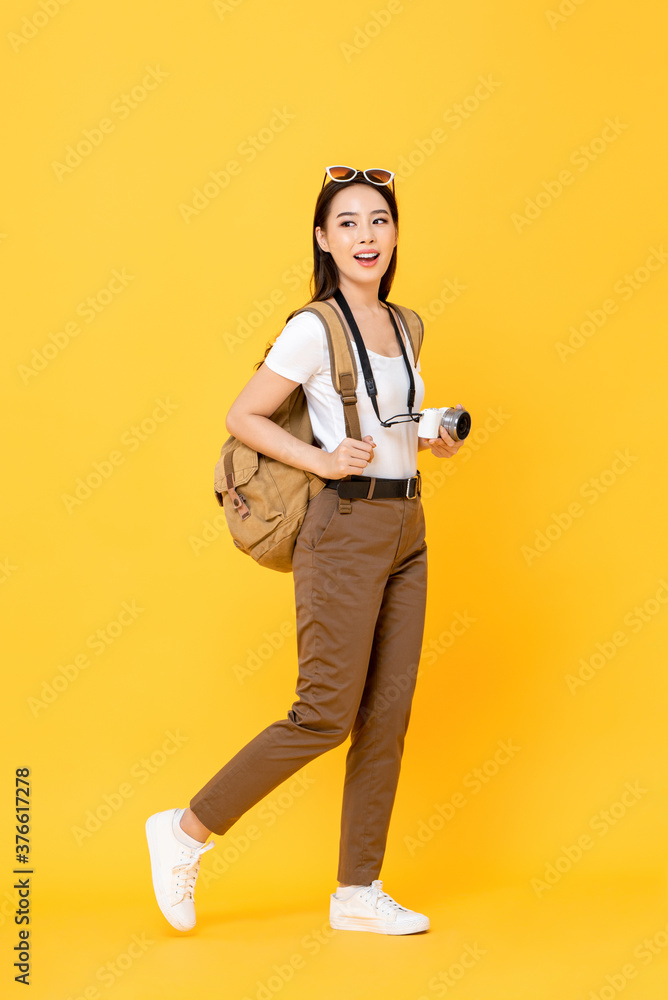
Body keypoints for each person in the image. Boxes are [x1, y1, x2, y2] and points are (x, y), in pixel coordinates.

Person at [145, 165, 464, 935]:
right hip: (345, 528)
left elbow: (390, 417)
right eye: (348, 222)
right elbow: (245, 413)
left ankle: (358, 891)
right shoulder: (312, 327)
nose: (366, 236)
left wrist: (431, 434)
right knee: (325, 712)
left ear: (395, 234)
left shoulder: (408, 323)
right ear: (323, 238)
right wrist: (323, 462)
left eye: (379, 221)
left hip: (406, 528)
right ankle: (186, 831)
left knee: (385, 716)